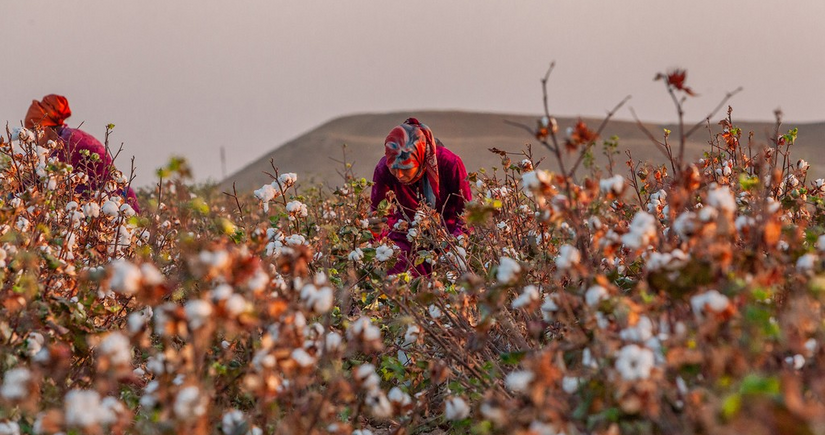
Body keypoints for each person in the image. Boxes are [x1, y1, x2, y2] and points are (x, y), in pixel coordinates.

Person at [371, 118, 472, 275]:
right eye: (394, 169)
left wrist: (455, 246)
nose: (398, 175)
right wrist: (378, 250)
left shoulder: (449, 163)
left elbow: (466, 212)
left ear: (420, 159)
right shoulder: (384, 169)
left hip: (448, 234)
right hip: (406, 234)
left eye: (405, 168)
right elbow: (379, 215)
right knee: (396, 277)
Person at [24, 94, 140, 212]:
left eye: (33, 132)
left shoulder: (66, 143)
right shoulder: (69, 136)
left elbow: (40, 179)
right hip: (108, 206)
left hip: (117, 208)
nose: (32, 140)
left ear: (45, 128)